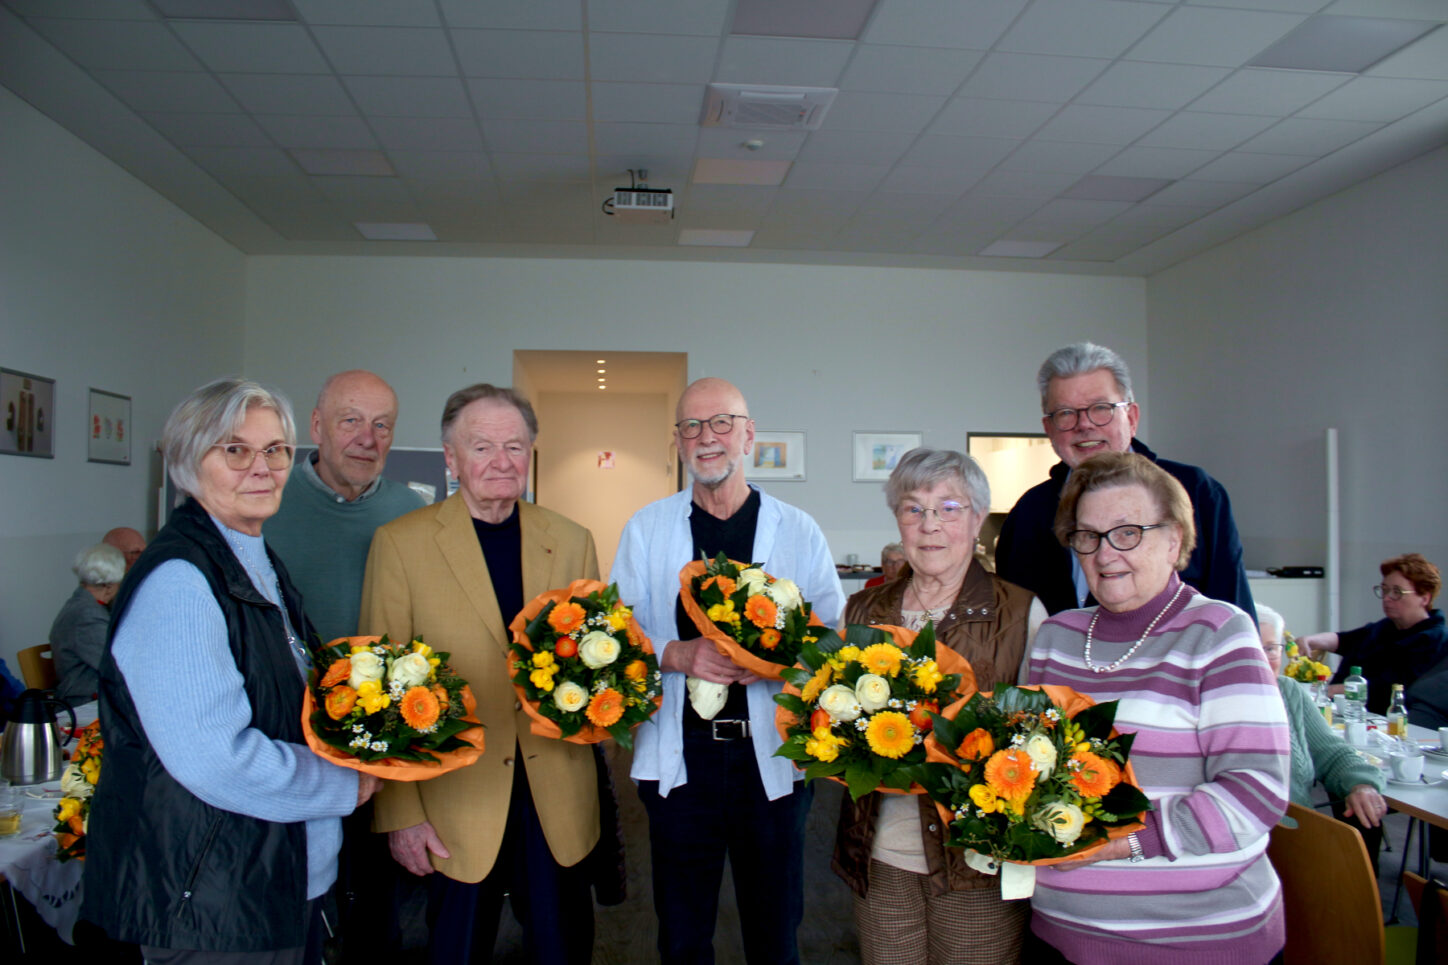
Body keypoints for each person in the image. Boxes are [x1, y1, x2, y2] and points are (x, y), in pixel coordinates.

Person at [82, 377, 379, 963]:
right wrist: (350, 780)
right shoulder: (181, 584)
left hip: (268, 880)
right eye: (235, 450)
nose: (261, 467)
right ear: (191, 463)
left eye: (275, 451)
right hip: (213, 901)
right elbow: (218, 761)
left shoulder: (256, 558)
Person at [360, 383, 601, 965]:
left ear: (531, 452)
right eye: (483, 447)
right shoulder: (400, 544)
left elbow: (599, 666)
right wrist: (401, 814)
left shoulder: (571, 541)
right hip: (453, 800)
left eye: (514, 446)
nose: (501, 461)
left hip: (557, 798)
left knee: (562, 949)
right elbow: (376, 692)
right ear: (451, 457)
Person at [1022, 451, 1289, 965]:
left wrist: (1119, 844)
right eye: (1088, 536)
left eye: (1127, 532)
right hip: (1060, 935)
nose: (1105, 553)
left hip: (1194, 942)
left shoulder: (1217, 633)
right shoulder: (1056, 636)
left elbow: (1257, 791)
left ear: (1174, 540)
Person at [613, 377, 844, 965]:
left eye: (720, 423)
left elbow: (834, 637)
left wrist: (776, 664)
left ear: (748, 434)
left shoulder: (798, 529)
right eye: (691, 426)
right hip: (681, 756)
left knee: (774, 929)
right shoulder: (647, 527)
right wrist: (677, 654)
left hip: (770, 759)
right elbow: (615, 632)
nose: (706, 438)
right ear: (677, 441)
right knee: (683, 931)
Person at [834, 449, 1045, 965]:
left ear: (977, 519)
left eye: (949, 508)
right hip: (879, 851)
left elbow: (1044, 739)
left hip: (976, 861)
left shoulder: (1021, 612)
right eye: (913, 509)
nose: (930, 525)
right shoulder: (864, 609)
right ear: (898, 521)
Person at [996, 342, 1253, 618]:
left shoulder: (1195, 492)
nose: (1085, 425)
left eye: (1101, 408)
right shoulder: (1028, 513)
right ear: (1048, 428)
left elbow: (1233, 612)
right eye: (1066, 414)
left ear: (1131, 417)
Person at [265, 370, 424, 645]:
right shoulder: (267, 503)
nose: (367, 439)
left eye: (381, 425)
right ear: (316, 426)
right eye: (351, 421)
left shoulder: (412, 511)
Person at [1256, 604, 1385, 821]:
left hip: (1300, 835)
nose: (1261, 658)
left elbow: (1333, 754)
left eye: (1270, 649)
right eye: (1251, 647)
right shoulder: (1209, 700)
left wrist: (1362, 783)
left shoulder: (1288, 692)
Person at [1299, 553, 1447, 715]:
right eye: (1384, 590)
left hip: (1385, 718)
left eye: (1397, 592)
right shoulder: (1386, 627)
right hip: (1347, 709)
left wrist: (1335, 690)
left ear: (1424, 598)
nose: (1387, 598)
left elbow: (1393, 688)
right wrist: (1311, 640)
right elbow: (1345, 640)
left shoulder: (1432, 639)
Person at [48, 542, 124, 702]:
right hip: (85, 700)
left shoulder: (80, 605)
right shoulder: (87, 616)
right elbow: (115, 666)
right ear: (109, 586)